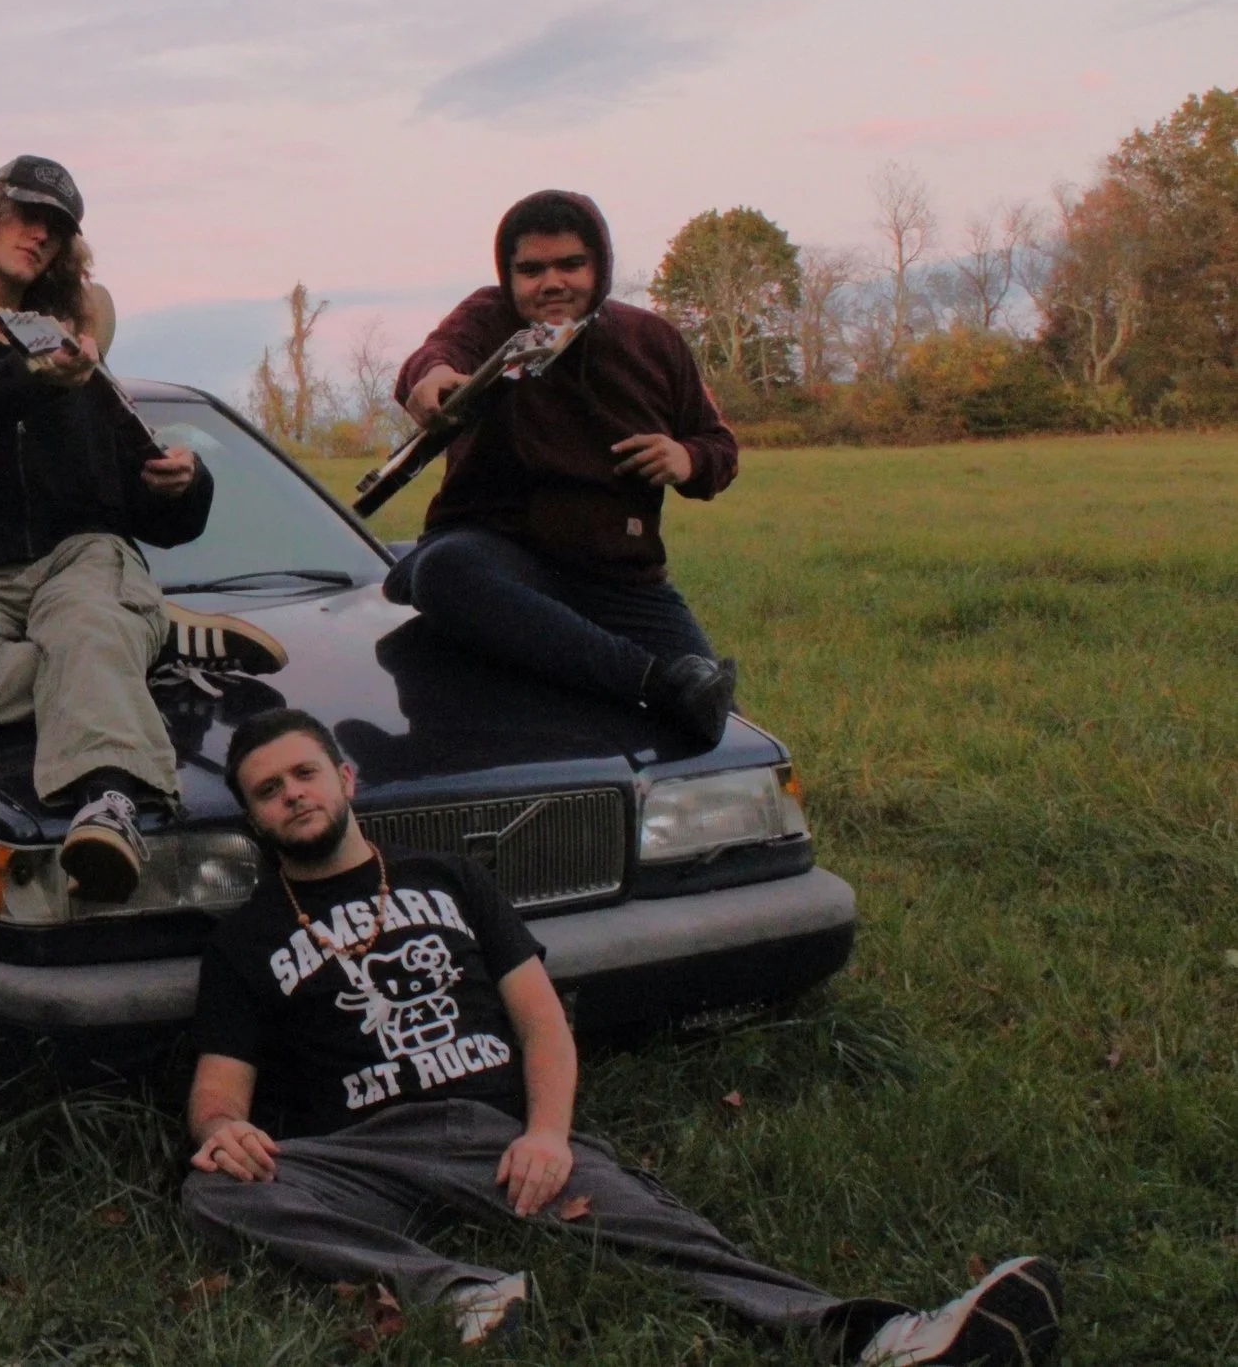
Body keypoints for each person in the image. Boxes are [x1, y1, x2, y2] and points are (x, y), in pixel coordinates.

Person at [183, 706, 1064, 1363]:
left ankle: (881, 1337)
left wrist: (547, 1134)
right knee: (215, 1190)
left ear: (346, 778)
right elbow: (219, 1092)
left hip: (491, 1131)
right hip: (364, 1154)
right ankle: (459, 1292)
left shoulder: (447, 878)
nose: (292, 795)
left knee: (670, 1238)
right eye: (269, 790)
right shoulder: (247, 939)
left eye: (304, 773)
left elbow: (541, 1020)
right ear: (255, 818)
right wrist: (223, 1130)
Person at [0, 156, 281, 903]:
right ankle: (141, 638)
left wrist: (184, 484)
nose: (40, 235)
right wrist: (24, 377)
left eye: (56, 229)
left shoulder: (76, 357)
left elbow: (149, 500)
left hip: (79, 557)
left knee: (86, 621)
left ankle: (112, 802)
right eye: (26, 215)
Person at [387, 189, 741, 745]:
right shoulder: (488, 319)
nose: (551, 282)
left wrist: (687, 457)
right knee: (445, 570)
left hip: (620, 577)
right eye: (531, 270)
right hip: (503, 554)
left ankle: (674, 686)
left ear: (600, 268)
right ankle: (655, 681)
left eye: (571, 264)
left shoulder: (653, 341)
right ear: (508, 276)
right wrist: (431, 379)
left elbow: (718, 445)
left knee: (719, 724)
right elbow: (436, 356)